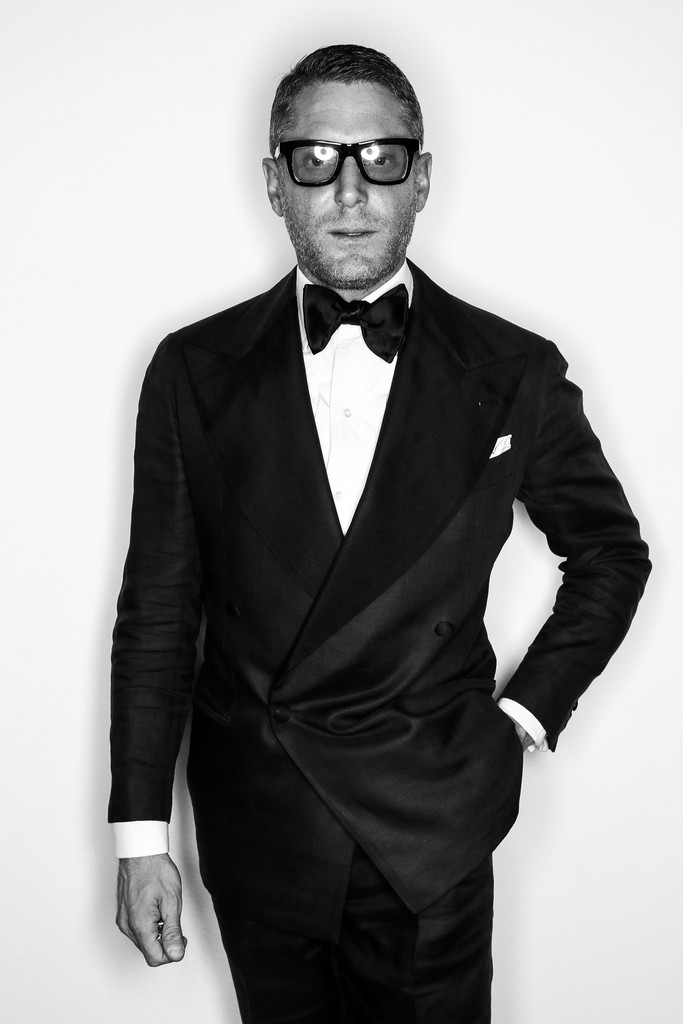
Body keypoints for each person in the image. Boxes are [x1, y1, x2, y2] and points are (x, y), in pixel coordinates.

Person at [110, 43, 650, 1023]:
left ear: (421, 178)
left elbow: (610, 553)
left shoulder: (511, 368)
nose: (350, 191)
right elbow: (158, 612)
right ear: (274, 182)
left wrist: (521, 717)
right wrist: (141, 836)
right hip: (260, 825)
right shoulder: (192, 368)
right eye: (316, 159)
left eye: (380, 158)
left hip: (428, 827)